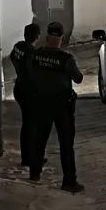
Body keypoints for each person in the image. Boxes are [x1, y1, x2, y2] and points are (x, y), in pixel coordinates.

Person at [28, 21, 84, 193]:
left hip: (41, 103)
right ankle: (69, 181)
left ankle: (35, 173)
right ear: (60, 39)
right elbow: (79, 78)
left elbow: (30, 75)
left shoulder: (36, 55)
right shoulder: (66, 58)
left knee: (39, 139)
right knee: (66, 144)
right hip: (62, 106)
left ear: (47, 37)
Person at [9, 22, 42, 171]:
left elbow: (12, 57)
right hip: (28, 91)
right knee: (31, 125)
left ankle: (29, 156)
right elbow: (31, 72)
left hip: (19, 88)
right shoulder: (31, 52)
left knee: (27, 123)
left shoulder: (18, 46)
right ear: (37, 36)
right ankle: (29, 157)